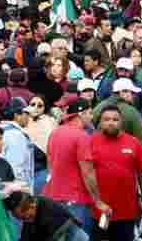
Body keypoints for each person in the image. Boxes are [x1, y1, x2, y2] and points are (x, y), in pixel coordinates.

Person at [88, 105, 142, 241]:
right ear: (100, 122)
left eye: (115, 119)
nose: (111, 122)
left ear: (121, 122)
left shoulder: (133, 142)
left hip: (126, 210)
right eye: (106, 119)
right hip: (100, 211)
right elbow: (85, 172)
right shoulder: (91, 141)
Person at [43, 99, 102, 234]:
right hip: (75, 199)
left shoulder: (55, 132)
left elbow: (50, 165)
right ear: (82, 114)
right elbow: (88, 172)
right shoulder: (82, 136)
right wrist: (98, 200)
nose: (92, 117)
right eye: (90, 113)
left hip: (53, 196)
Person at [6, 191, 88, 241]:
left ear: (33, 205)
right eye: (20, 219)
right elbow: (26, 236)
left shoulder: (50, 215)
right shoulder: (31, 210)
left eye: (25, 218)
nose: (24, 221)